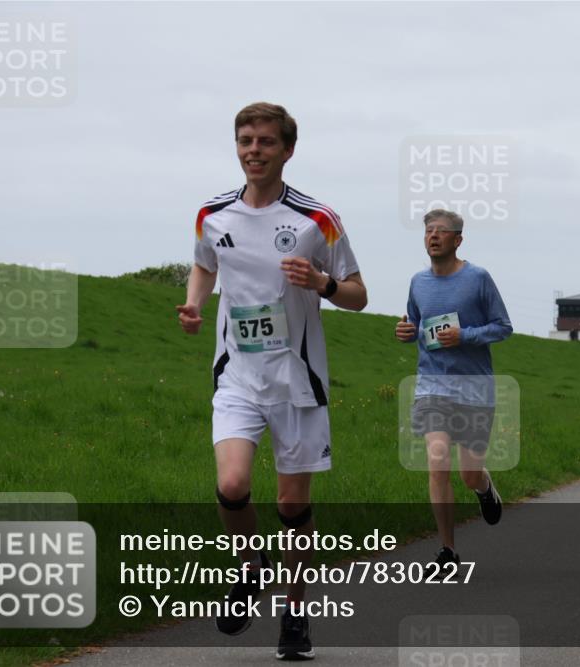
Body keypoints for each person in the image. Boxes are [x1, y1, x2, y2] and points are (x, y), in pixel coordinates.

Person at [177, 102, 367, 661]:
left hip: (297, 382)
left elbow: (359, 296)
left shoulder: (317, 219)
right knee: (233, 485)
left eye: (264, 141)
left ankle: (295, 612)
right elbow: (205, 264)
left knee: (291, 507)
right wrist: (193, 303)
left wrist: (323, 282)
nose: (253, 150)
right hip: (237, 374)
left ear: (287, 150)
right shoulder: (212, 214)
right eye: (244, 140)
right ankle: (249, 569)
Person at [395, 209, 512, 571]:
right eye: (428, 231)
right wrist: (407, 331)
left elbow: (503, 327)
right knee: (437, 462)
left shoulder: (478, 279)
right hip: (432, 385)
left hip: (475, 388)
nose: (433, 236)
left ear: (458, 239)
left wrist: (466, 336)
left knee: (468, 474)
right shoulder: (418, 282)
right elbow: (415, 323)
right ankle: (448, 551)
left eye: (441, 231)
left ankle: (484, 487)